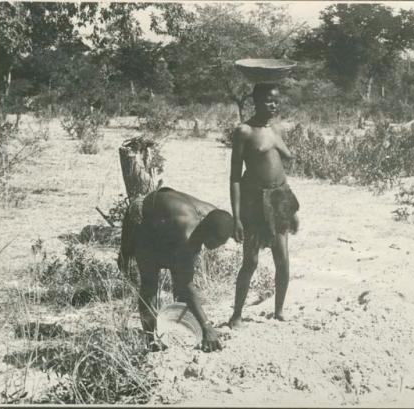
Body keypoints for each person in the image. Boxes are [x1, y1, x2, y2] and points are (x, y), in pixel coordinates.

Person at [118, 187, 233, 352]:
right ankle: (150, 339)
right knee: (150, 282)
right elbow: (187, 285)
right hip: (143, 216)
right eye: (217, 242)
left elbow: (226, 221)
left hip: (164, 219)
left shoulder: (210, 213)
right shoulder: (186, 235)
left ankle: (176, 328)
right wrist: (207, 326)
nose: (216, 248)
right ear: (208, 232)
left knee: (178, 280)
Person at [228, 82, 299, 328]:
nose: (274, 105)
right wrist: (236, 216)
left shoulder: (273, 129)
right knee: (251, 261)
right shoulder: (244, 131)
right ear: (255, 101)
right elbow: (235, 176)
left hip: (279, 198)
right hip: (254, 201)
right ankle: (236, 315)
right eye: (269, 100)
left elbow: (287, 156)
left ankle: (279, 311)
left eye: (277, 100)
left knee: (283, 258)